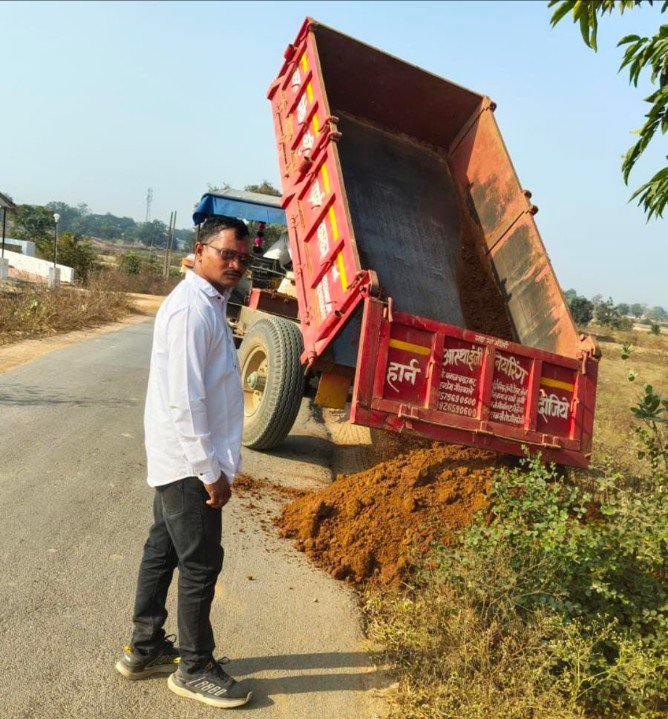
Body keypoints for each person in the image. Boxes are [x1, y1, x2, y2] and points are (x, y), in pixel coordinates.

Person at [115, 216, 253, 709]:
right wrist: (209, 471)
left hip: (183, 458)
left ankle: (145, 648)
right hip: (190, 463)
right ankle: (194, 668)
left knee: (163, 550)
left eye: (243, 257)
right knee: (201, 563)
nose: (235, 264)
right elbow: (185, 401)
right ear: (199, 250)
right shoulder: (192, 310)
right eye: (226, 254)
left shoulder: (208, 302)